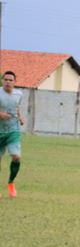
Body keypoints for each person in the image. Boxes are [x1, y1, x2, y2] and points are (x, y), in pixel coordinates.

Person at [0, 70, 25, 198]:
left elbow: (16, 107)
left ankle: (11, 183)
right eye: (6, 79)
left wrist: (20, 117)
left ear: (15, 82)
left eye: (10, 80)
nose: (8, 82)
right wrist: (1, 114)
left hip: (12, 131)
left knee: (16, 157)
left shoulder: (18, 94)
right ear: (2, 80)